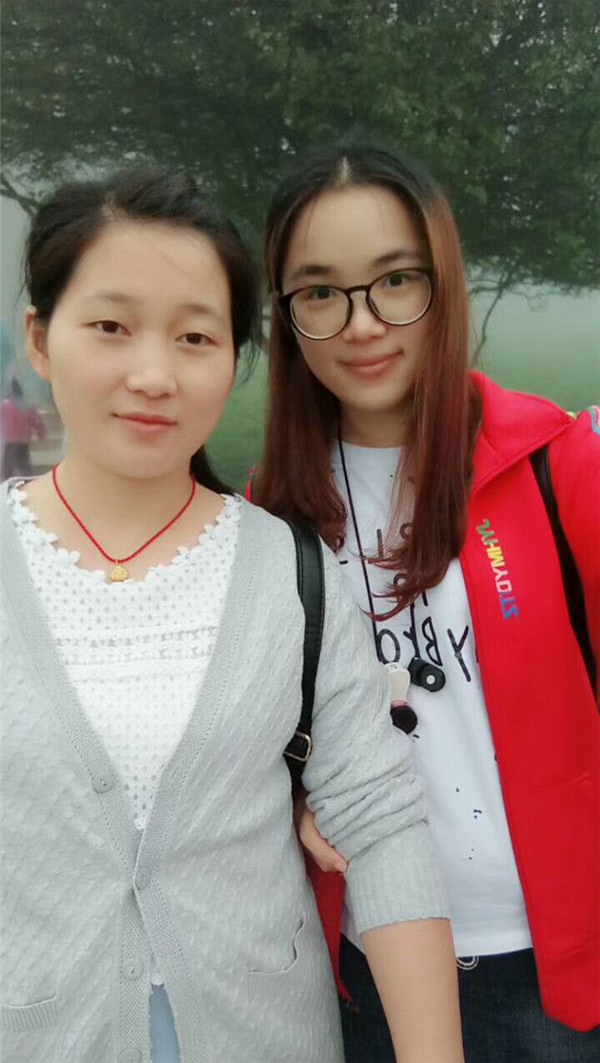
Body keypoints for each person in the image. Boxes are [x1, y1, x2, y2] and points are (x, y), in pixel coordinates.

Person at [0, 167, 465, 1063]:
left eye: (195, 337)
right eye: (110, 327)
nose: (153, 375)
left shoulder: (291, 572)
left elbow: (378, 823)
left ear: (235, 358)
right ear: (40, 338)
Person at [251, 141, 600, 1062]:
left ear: (443, 281)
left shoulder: (558, 468)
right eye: (320, 292)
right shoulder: (266, 520)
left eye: (395, 280)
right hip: (365, 964)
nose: (362, 324)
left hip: (553, 972)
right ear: (287, 315)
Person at [0, 376, 47, 479]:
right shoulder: (26, 404)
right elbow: (36, 420)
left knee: (8, 468)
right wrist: (41, 432)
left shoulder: (5, 405)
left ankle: (8, 483)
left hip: (10, 441)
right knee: (24, 466)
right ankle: (27, 481)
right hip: (23, 440)